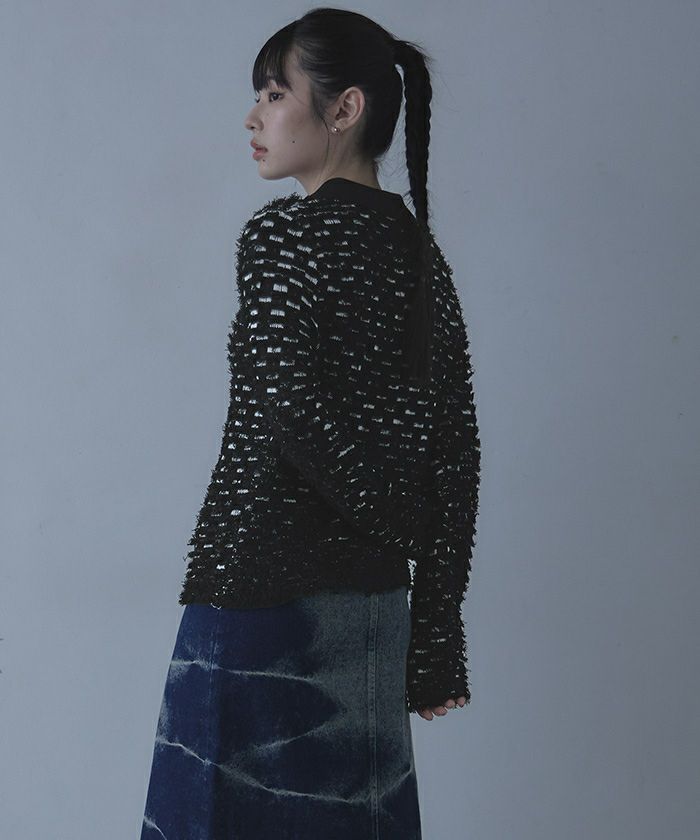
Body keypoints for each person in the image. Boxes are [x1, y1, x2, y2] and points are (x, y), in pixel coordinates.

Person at [140, 7, 481, 839]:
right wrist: (435, 633)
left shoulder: (283, 237)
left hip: (258, 599)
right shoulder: (421, 257)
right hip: (375, 606)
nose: (253, 117)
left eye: (273, 93)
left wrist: (393, 520)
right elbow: (456, 451)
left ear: (344, 109)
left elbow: (285, 410)